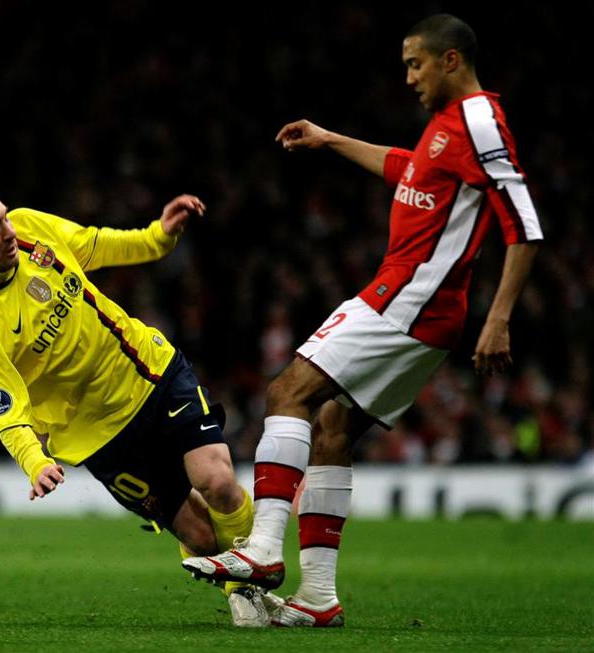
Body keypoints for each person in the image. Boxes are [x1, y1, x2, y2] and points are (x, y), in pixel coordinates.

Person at [182, 13, 542, 628]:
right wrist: (331, 140)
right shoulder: (447, 127)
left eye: (415, 64)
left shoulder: (479, 121)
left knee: (288, 392)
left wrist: (501, 316)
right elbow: (409, 170)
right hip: (427, 311)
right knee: (332, 428)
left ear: (451, 60)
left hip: (409, 297)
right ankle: (318, 597)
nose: (409, 78)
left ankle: (263, 550)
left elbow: (524, 222)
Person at [0, 163, 281, 626]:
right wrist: (35, 461)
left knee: (217, 480)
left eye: (4, 217)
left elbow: (94, 245)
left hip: (149, 372)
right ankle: (242, 583)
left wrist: (157, 237)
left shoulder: (28, 229)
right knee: (202, 538)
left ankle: (246, 590)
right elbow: (4, 407)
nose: (8, 231)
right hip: (98, 436)